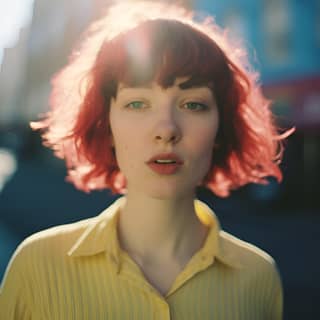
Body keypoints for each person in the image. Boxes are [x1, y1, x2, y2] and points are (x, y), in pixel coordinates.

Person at [0, 1, 293, 319]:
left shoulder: (259, 277)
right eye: (138, 103)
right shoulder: (37, 265)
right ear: (106, 124)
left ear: (221, 127)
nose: (166, 129)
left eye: (193, 105)